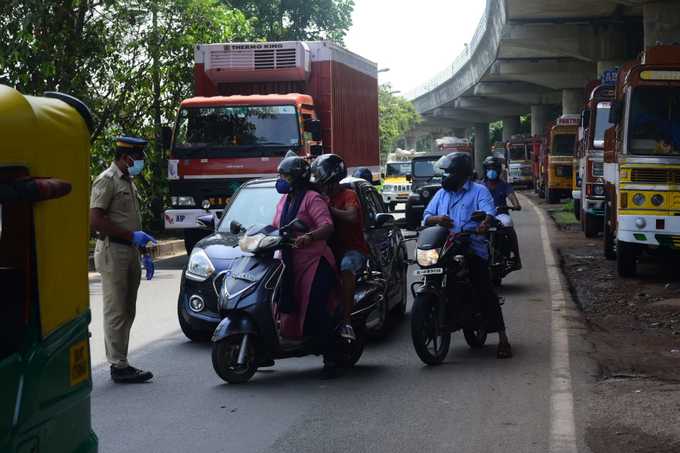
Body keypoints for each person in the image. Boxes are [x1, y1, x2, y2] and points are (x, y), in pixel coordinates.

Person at [422, 152, 512, 359]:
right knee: (428, 272)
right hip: (443, 245)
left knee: (484, 288)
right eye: (443, 173)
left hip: (471, 246)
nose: (445, 177)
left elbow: (489, 213)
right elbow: (426, 217)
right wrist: (437, 219)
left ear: (460, 174)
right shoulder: (441, 194)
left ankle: (503, 338)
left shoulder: (479, 191)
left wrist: (484, 224)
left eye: (449, 173)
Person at [90, 136, 157, 383]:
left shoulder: (129, 181)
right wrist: (131, 236)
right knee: (116, 310)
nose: (140, 162)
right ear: (126, 157)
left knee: (128, 309)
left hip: (129, 251)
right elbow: (95, 220)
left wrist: (145, 252)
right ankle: (118, 365)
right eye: (138, 158)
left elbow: (132, 221)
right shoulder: (106, 181)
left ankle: (122, 360)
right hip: (113, 251)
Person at [272, 153, 340, 379]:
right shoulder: (285, 200)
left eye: (285, 176)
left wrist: (309, 237)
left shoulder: (312, 198)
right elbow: (275, 226)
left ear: (297, 178)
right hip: (289, 260)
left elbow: (327, 226)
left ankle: (331, 356)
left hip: (314, 260)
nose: (281, 179)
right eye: (280, 175)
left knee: (316, 308)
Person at [311, 154, 371, 343]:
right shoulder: (320, 197)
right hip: (329, 249)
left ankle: (346, 320)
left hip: (353, 250)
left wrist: (329, 210)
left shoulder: (348, 195)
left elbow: (352, 216)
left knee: (346, 266)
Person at [482, 156, 522, 271]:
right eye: (489, 168)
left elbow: (512, 197)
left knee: (508, 223)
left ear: (499, 170)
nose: (491, 171)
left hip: (500, 214)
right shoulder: (480, 186)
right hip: (483, 216)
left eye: (494, 168)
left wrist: (516, 205)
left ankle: (516, 257)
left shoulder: (504, 185)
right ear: (485, 170)